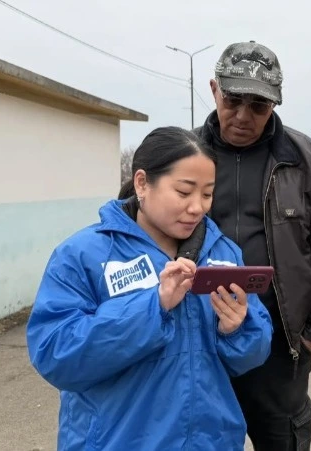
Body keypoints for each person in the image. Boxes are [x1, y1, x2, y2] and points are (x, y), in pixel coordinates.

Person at [25, 127, 273, 450]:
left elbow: (254, 352)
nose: (197, 207)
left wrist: (237, 329)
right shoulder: (84, 255)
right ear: (142, 183)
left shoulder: (223, 253)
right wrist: (152, 306)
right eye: (184, 192)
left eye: (207, 194)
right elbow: (54, 354)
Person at [194, 41, 311, 450]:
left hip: (279, 352)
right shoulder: (183, 155)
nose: (243, 117)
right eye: (233, 100)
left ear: (275, 105)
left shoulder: (305, 160)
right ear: (214, 89)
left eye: (259, 106)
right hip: (198, 345)